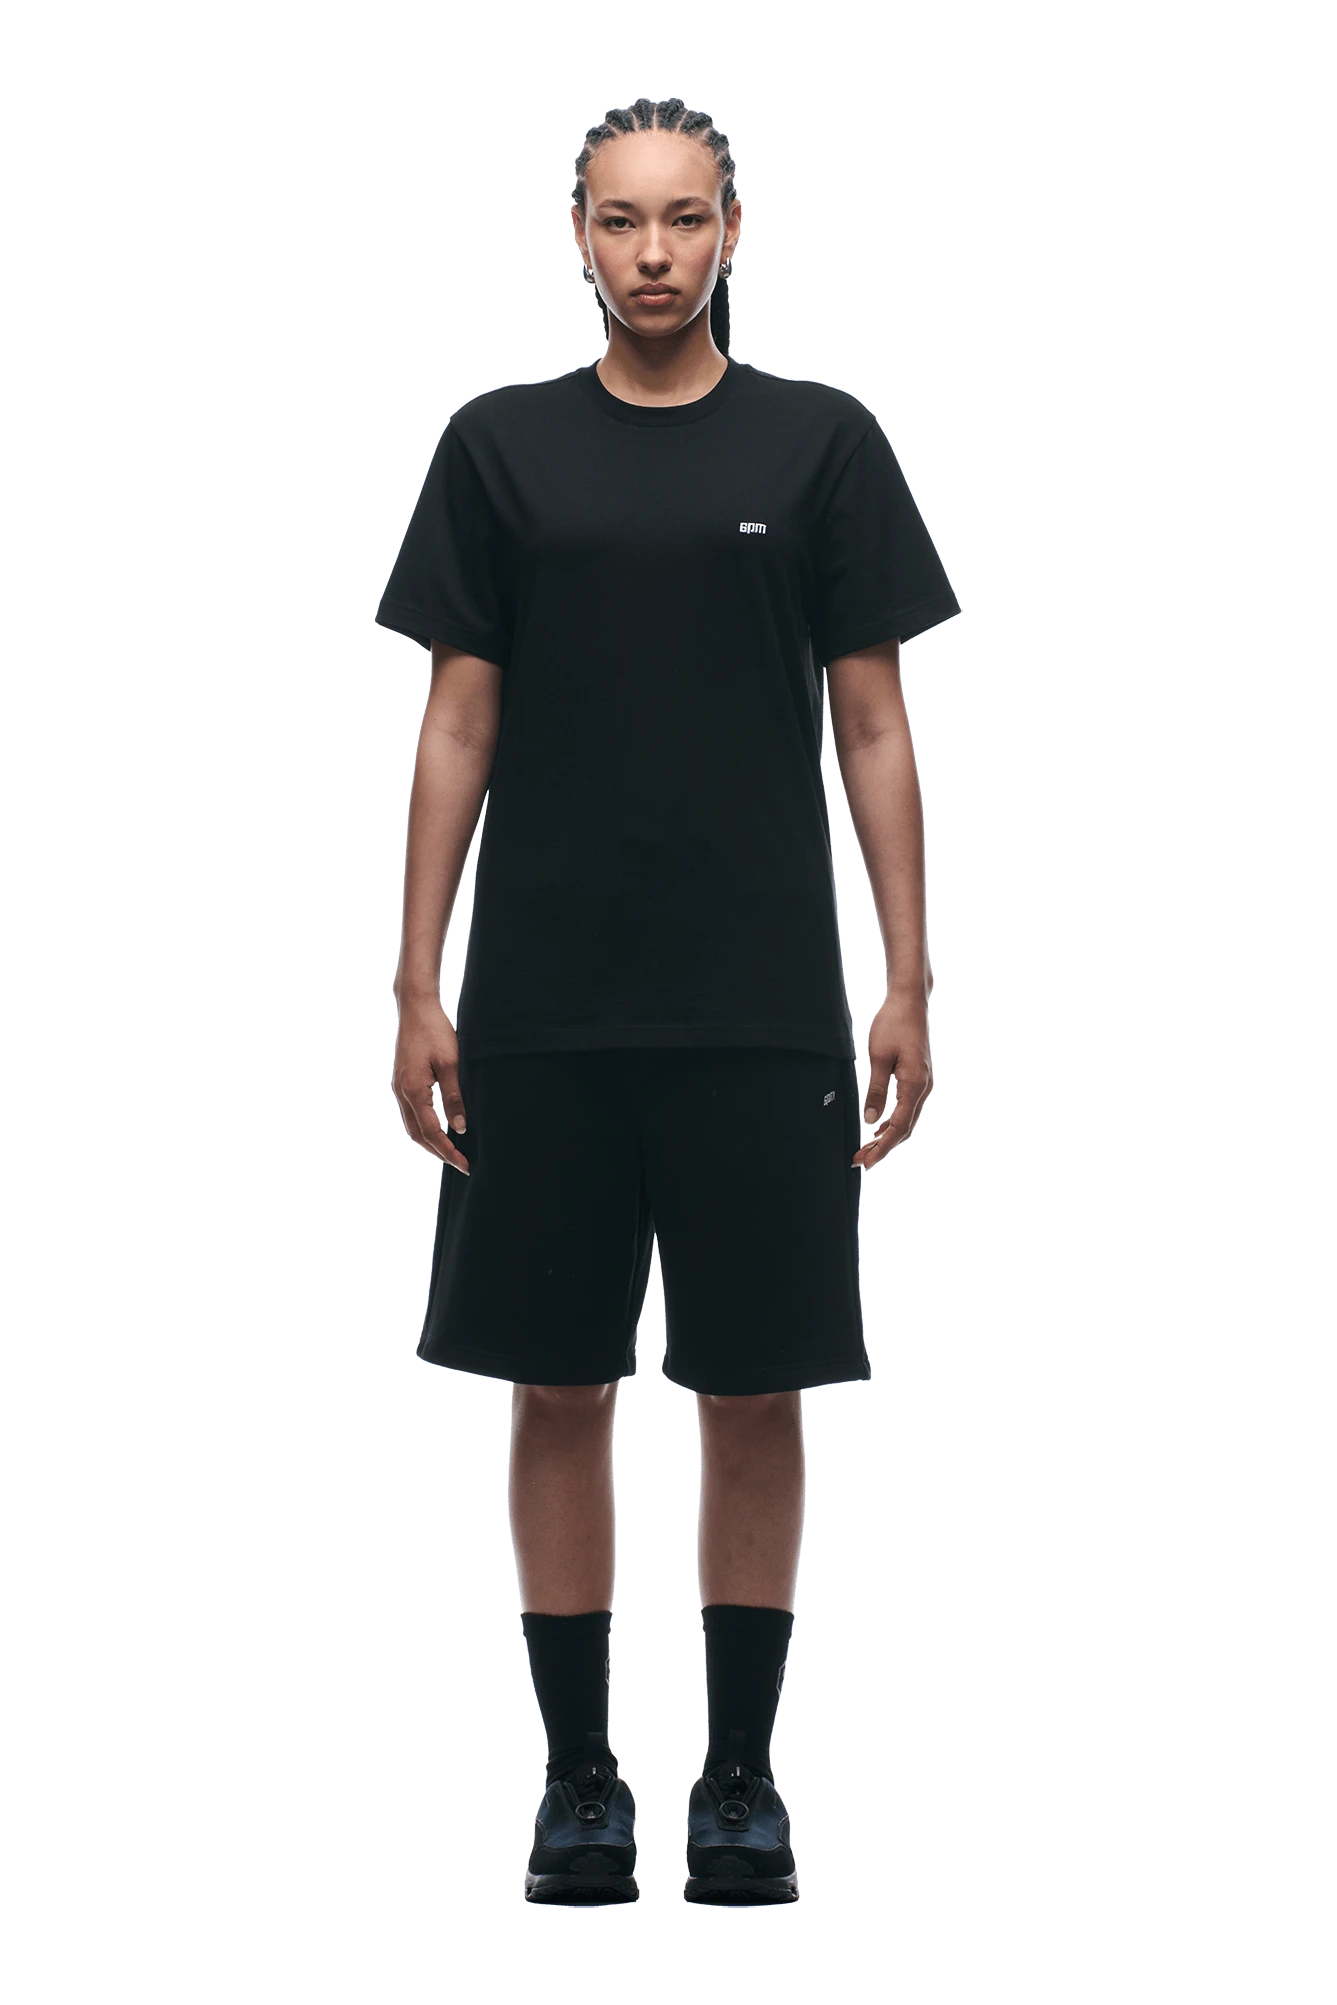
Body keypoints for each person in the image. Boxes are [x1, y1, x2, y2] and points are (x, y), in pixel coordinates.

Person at [379, 99, 962, 1907]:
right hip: (544, 997)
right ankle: (575, 1783)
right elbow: (455, 720)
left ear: (732, 229)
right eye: (623, 221)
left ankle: (740, 1780)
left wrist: (905, 975)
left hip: (761, 996)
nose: (653, 253)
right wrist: (417, 976)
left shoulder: (823, 441)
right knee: (556, 1383)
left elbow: (876, 723)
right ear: (578, 233)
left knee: (756, 1382)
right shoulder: (497, 445)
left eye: (685, 220)